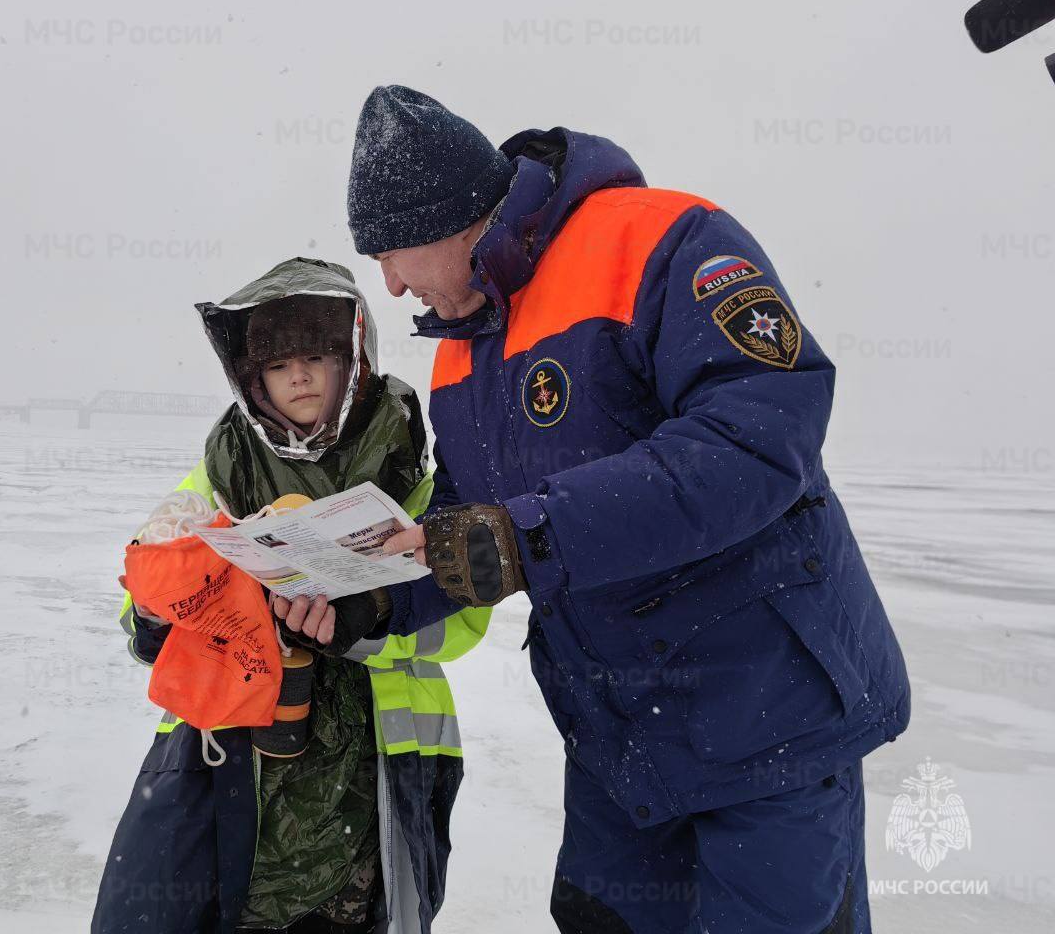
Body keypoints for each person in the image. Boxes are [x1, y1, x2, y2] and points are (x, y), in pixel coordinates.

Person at [310, 85, 910, 934]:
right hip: (622, 745)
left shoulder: (663, 241)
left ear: (450, 217)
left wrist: (529, 534)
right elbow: (463, 524)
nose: (393, 283)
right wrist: (363, 597)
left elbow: (756, 440)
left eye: (394, 253)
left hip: (764, 715)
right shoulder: (462, 353)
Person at [91, 257, 490, 934]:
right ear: (255, 379)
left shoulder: (416, 476)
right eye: (279, 365)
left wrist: (363, 622)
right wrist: (159, 617)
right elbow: (143, 585)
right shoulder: (220, 473)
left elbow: (465, 615)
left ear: (353, 360)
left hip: (375, 773)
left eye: (315, 356)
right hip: (233, 769)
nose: (298, 375)